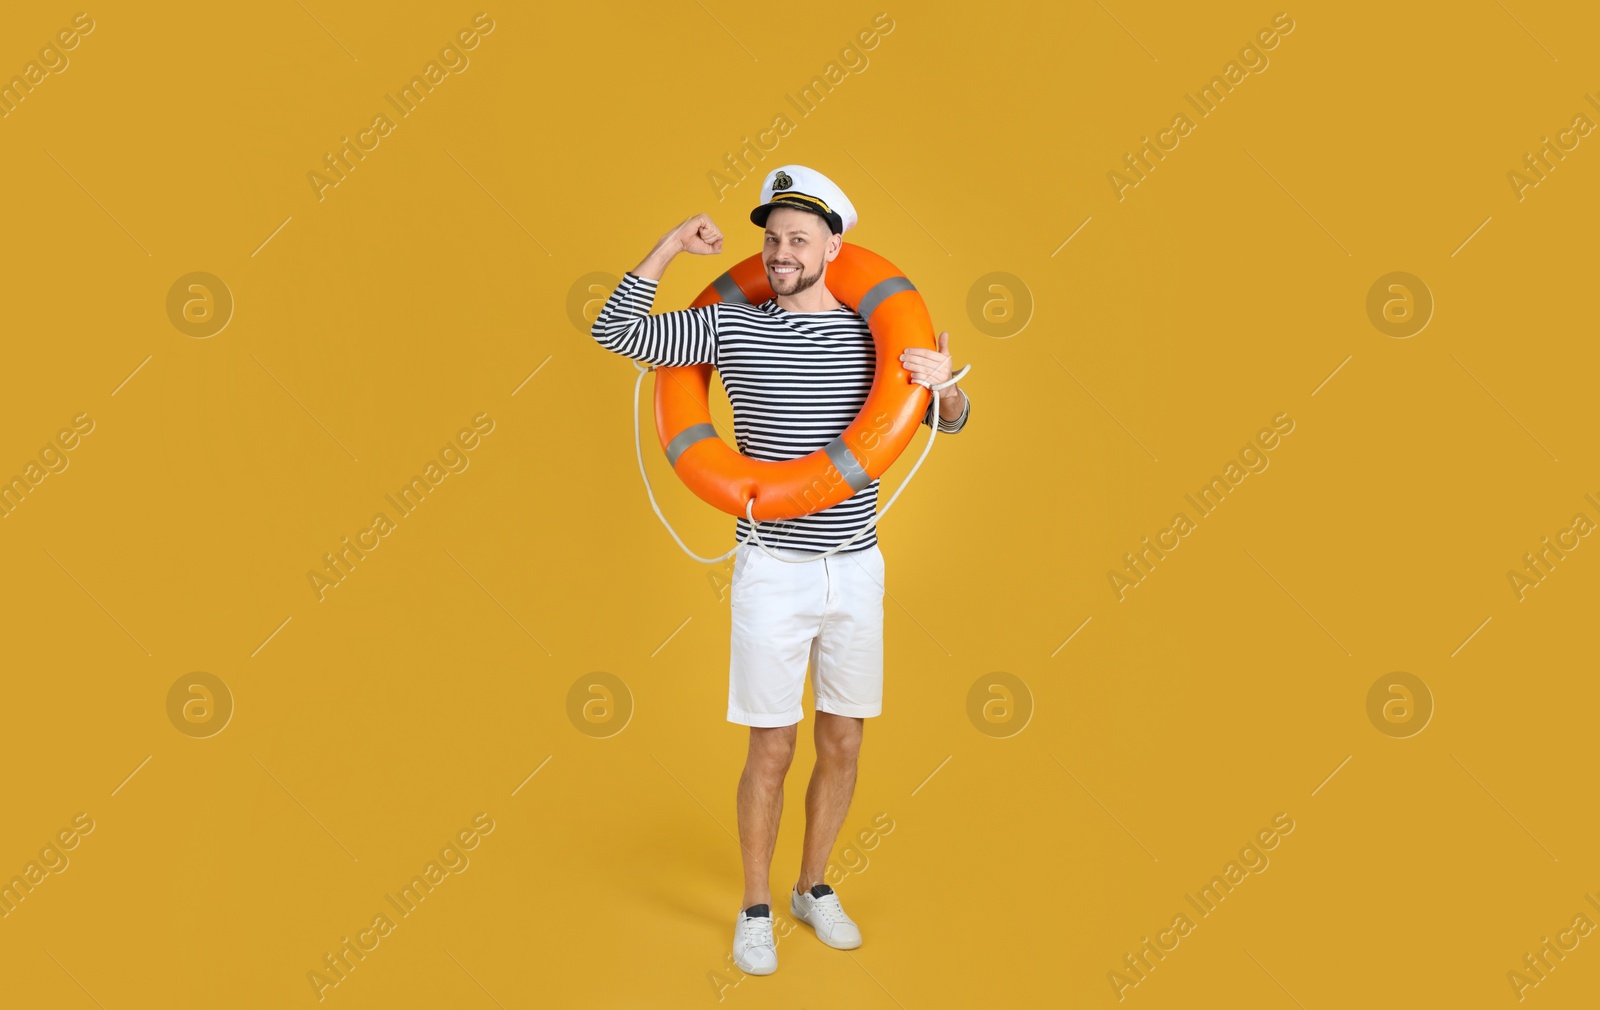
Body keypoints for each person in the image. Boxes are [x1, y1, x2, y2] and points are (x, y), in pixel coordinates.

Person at [590, 164, 971, 976]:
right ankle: (756, 907)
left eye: (799, 238)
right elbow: (617, 332)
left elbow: (951, 422)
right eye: (772, 239)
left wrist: (947, 391)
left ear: (836, 246)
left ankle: (814, 887)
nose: (781, 251)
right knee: (772, 746)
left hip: (855, 567)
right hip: (771, 566)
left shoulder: (877, 335)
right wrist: (667, 249)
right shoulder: (730, 325)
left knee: (844, 740)